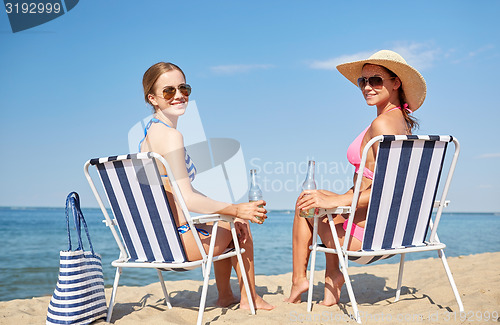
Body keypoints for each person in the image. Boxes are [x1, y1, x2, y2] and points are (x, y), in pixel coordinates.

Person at [284, 50, 427, 306]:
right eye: (364, 81)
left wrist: (338, 199)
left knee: (304, 204)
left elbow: (388, 190)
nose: (367, 87)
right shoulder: (401, 123)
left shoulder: (382, 126)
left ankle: (299, 280)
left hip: (366, 239)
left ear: (396, 83)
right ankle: (332, 281)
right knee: (318, 199)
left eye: (376, 80)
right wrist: (336, 199)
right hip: (393, 231)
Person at [140, 62, 274, 311]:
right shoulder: (171, 136)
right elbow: (187, 199)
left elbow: (177, 193)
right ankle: (249, 298)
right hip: (179, 245)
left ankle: (225, 296)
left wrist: (228, 210)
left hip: (154, 243)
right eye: (169, 91)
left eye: (184, 88)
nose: (179, 95)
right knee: (239, 224)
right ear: (153, 98)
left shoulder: (148, 136)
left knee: (225, 220)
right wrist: (236, 210)